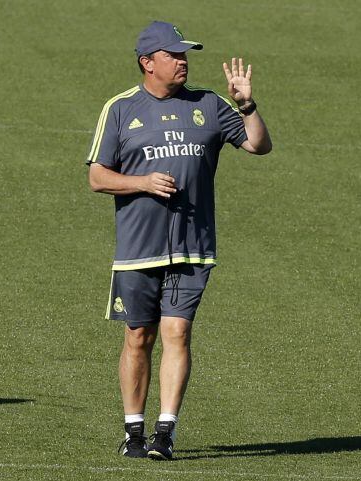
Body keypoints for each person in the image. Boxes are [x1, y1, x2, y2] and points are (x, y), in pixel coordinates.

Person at [86, 20, 271, 460]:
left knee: (178, 331)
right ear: (148, 63)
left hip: (193, 245)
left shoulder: (209, 104)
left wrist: (247, 106)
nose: (183, 62)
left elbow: (258, 146)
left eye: (184, 55)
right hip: (137, 249)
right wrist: (143, 182)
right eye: (174, 55)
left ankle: (165, 432)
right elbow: (97, 177)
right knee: (137, 337)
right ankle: (134, 429)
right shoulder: (119, 109)